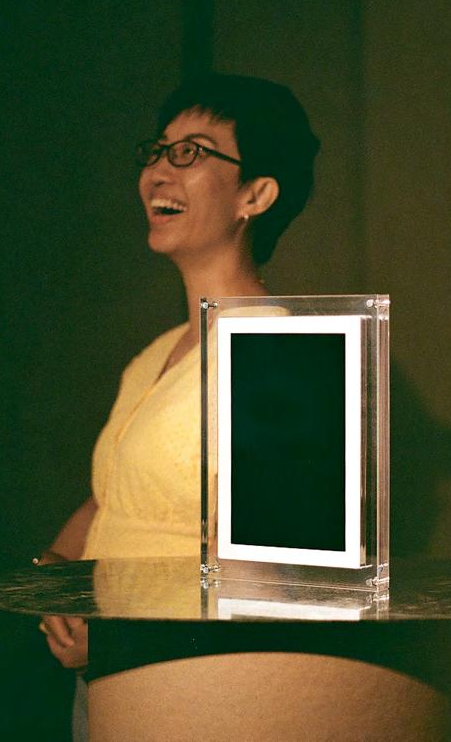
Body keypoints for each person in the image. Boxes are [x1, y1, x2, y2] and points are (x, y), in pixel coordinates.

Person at [36, 73, 319, 733]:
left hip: (195, 687)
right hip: (109, 678)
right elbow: (112, 498)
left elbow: (272, 575)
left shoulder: (275, 350)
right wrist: (52, 579)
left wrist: (122, 635)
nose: (158, 172)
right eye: (157, 151)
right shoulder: (155, 354)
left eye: (190, 152)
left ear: (256, 194)